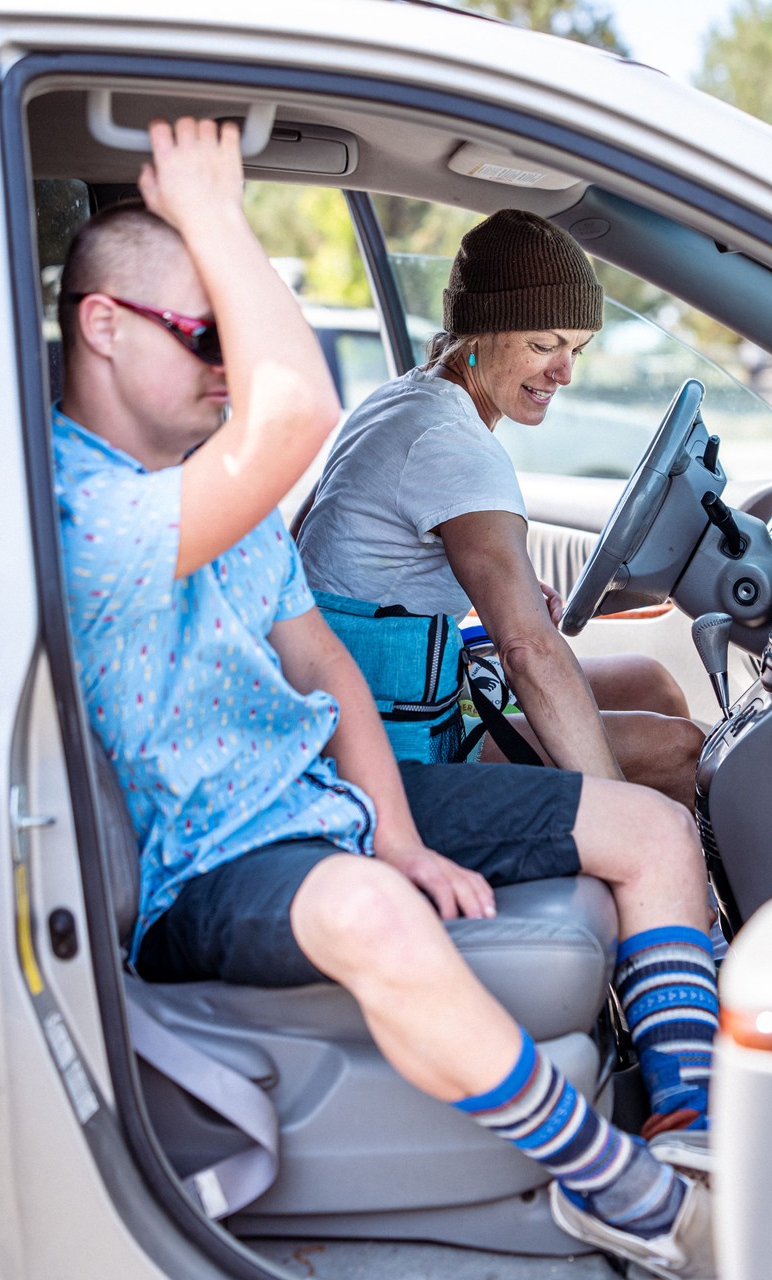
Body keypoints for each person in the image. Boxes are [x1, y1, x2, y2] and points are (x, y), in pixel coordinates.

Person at [52, 119, 717, 1277]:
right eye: (207, 334)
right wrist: (215, 213)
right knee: (368, 908)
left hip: (327, 801)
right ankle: (631, 1193)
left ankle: (694, 1129)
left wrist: (400, 832)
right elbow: (292, 410)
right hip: (209, 863)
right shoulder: (84, 507)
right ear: (101, 328)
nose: (227, 369)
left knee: (654, 827)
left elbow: (328, 669)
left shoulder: (208, 488)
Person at [294, 209, 705, 808]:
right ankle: (657, 878)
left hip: (359, 700)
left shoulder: (401, 400)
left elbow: (318, 551)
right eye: (544, 345)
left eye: (577, 350)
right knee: (681, 751)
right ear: (479, 332)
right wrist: (625, 813)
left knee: (653, 683)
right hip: (394, 742)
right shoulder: (451, 445)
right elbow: (527, 650)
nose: (564, 372)